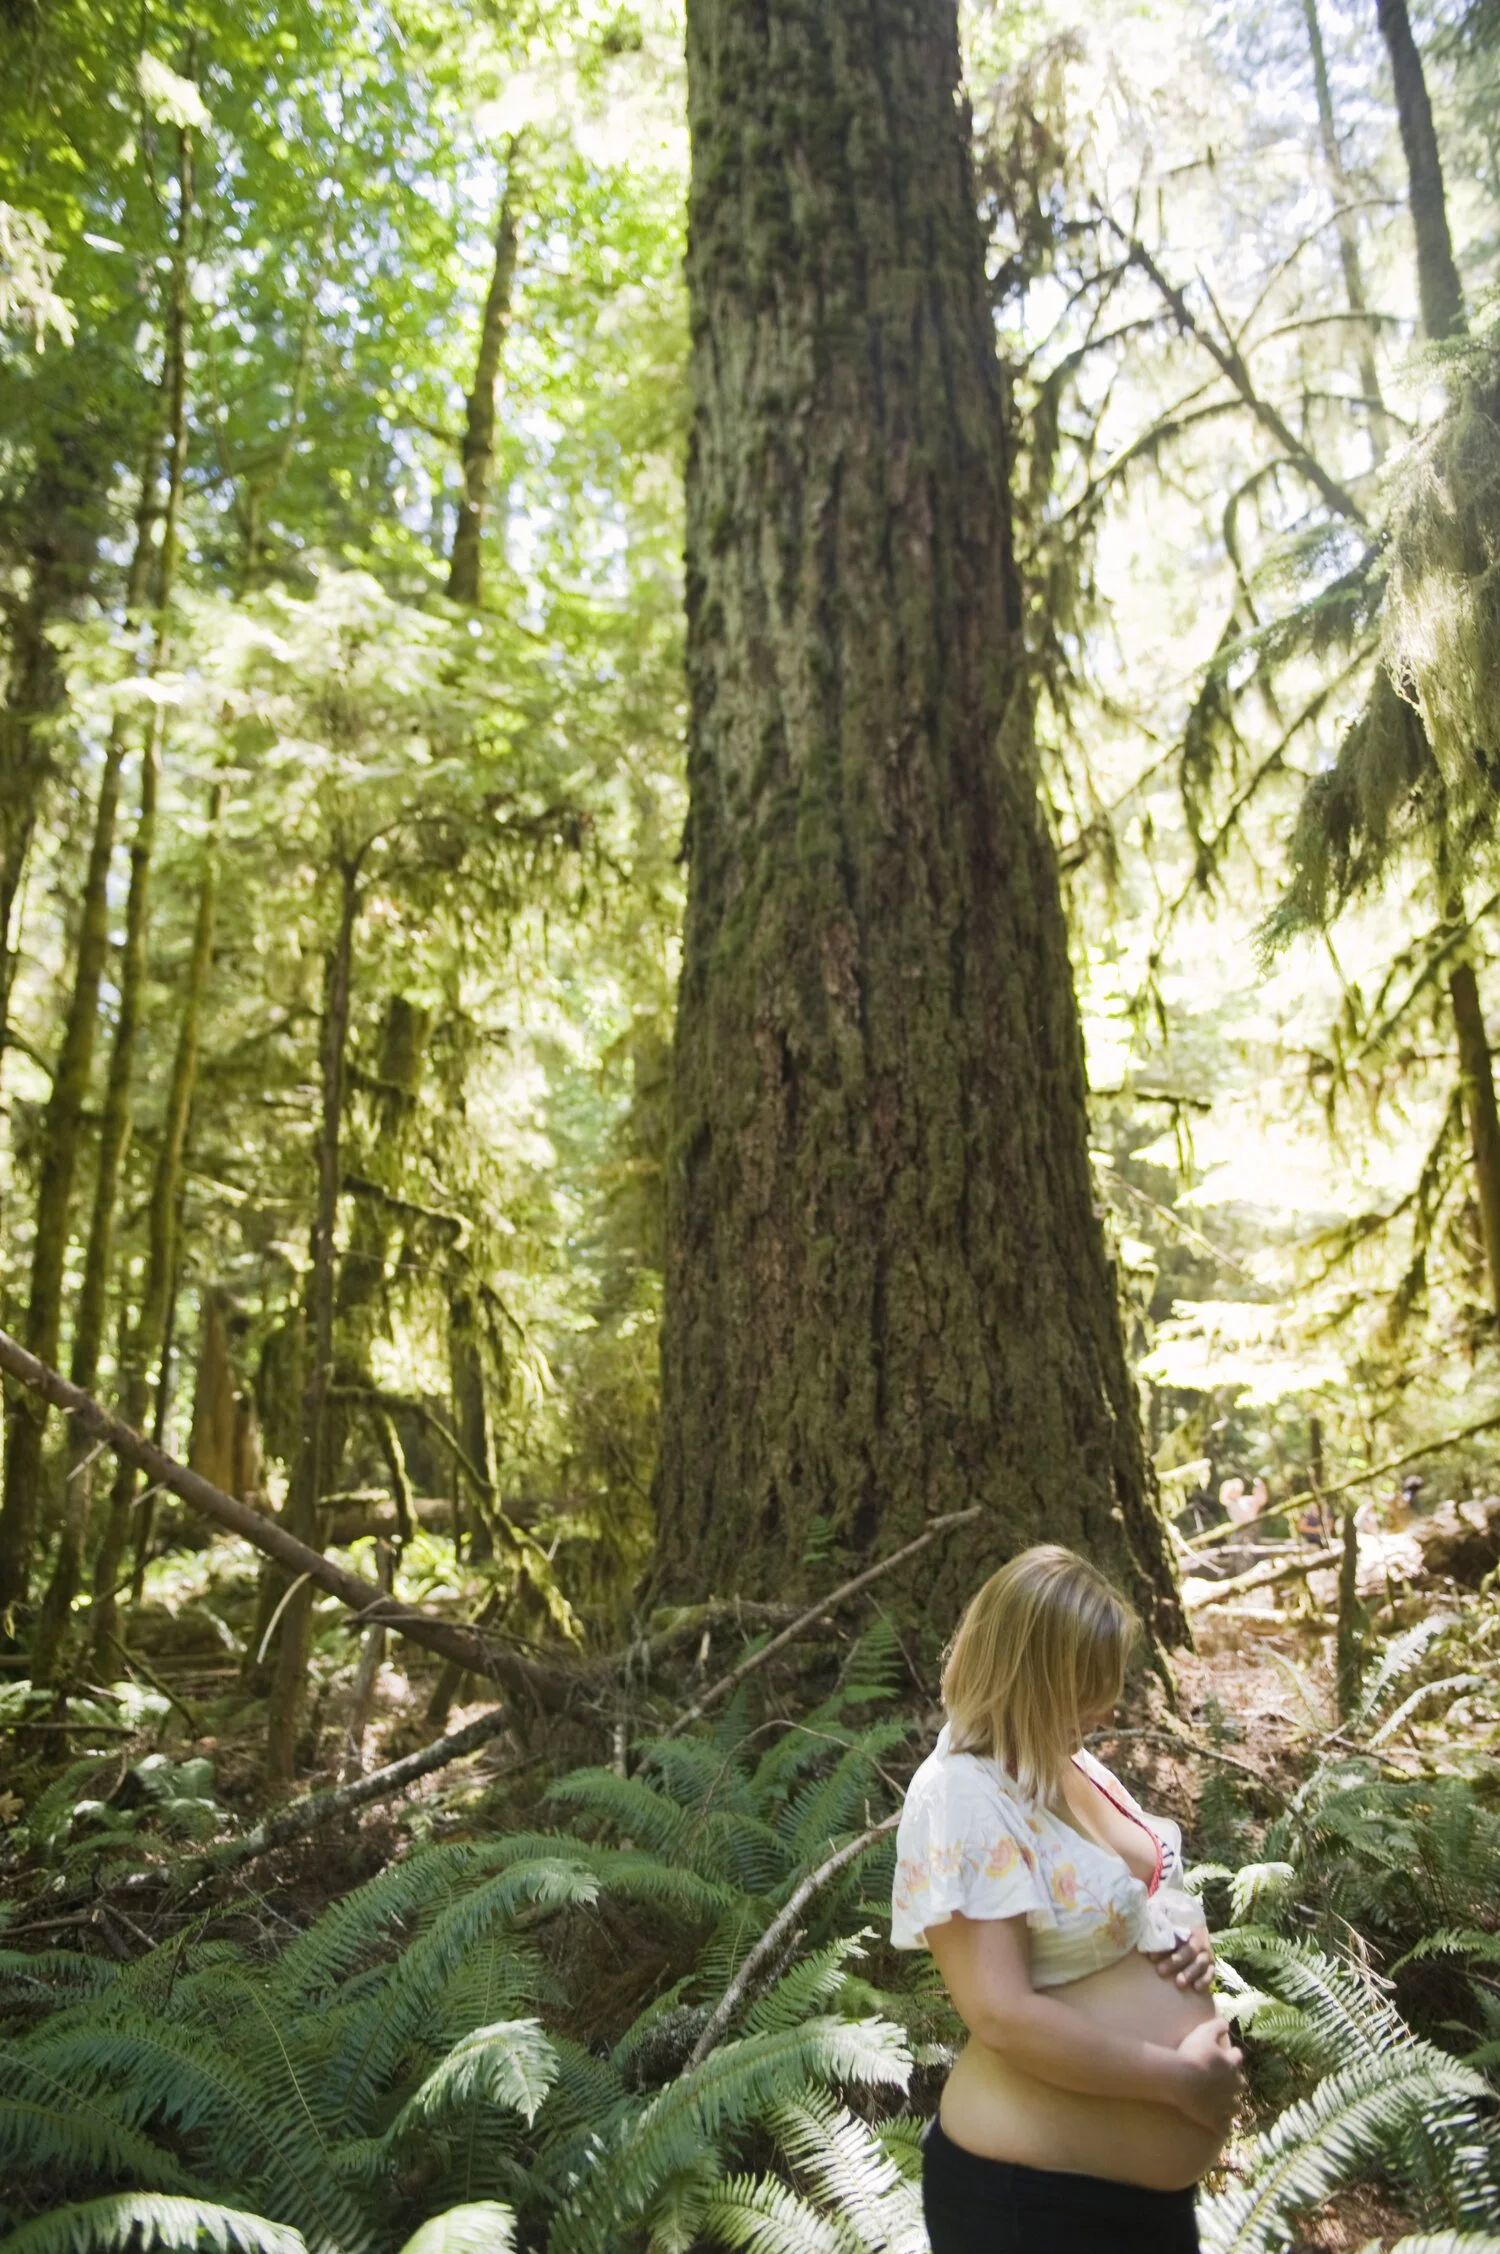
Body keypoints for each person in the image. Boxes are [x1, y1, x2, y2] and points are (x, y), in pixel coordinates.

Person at [892, 1545, 1244, 2252]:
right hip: (1032, 2204)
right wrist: (1178, 2081)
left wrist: (1187, 1940)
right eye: (1085, 1687)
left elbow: (1141, 1887)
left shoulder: (1063, 1758)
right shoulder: (960, 1795)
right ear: (1030, 1674)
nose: (1105, 1708)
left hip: (1139, 2203)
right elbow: (1002, 2014)